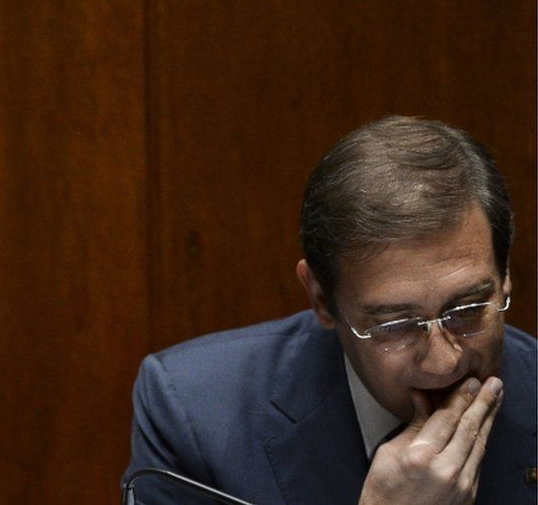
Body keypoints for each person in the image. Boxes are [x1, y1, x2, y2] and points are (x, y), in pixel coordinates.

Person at [123, 116, 536, 504]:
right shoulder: (195, 412)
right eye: (395, 323)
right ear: (322, 299)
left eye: (466, 308)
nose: (445, 362)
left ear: (504, 276)